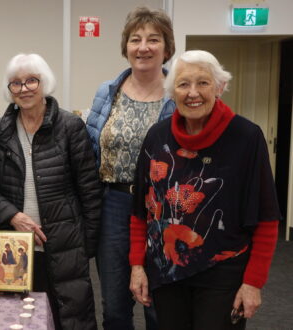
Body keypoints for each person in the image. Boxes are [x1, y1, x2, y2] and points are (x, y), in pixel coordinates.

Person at [129, 50, 281, 330]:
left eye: (203, 83)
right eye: (183, 84)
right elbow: (141, 211)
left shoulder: (246, 137)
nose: (193, 93)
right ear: (171, 91)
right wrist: (137, 266)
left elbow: (267, 217)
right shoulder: (157, 137)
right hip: (167, 272)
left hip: (223, 274)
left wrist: (253, 282)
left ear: (219, 87)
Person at [0, 53, 101, 330]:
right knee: (19, 318)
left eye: (32, 80)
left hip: (66, 244)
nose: (24, 88)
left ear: (45, 83)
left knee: (69, 317)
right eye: (16, 83)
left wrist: (86, 245)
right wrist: (13, 216)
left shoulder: (70, 127)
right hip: (16, 247)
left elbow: (89, 190)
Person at [85, 6, 175, 329]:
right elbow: (90, 147)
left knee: (159, 303)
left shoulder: (178, 94)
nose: (144, 47)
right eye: (135, 39)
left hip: (162, 209)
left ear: (167, 48)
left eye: (154, 39)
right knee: (115, 304)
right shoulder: (107, 92)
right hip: (113, 203)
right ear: (126, 47)